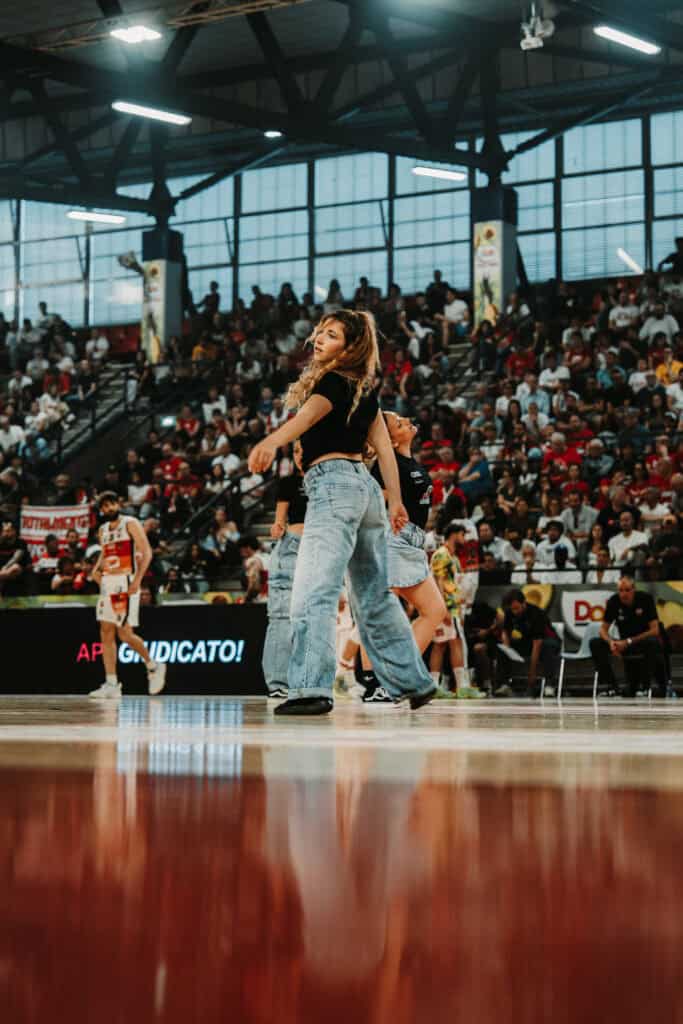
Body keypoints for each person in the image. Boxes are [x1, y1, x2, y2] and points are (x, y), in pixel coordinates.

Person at [248, 308, 435, 715]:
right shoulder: (366, 391)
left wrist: (269, 442)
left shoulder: (333, 381)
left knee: (313, 592)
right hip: (365, 489)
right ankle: (413, 682)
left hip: (332, 485)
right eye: (320, 331)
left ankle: (310, 690)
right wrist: (395, 500)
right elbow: (385, 451)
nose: (318, 338)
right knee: (374, 596)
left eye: (331, 335)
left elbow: (307, 417)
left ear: (350, 348)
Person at [360, 412, 449, 702]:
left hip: (414, 542)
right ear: (390, 440)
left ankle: (399, 675)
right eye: (399, 423)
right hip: (394, 538)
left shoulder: (410, 462)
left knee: (435, 611)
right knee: (380, 610)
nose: (407, 420)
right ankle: (376, 683)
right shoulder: (385, 464)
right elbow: (371, 495)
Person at [88, 492, 167, 699]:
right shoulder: (102, 530)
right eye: (105, 506)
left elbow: (147, 552)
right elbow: (106, 553)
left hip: (125, 581)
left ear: (118, 504)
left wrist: (137, 580)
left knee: (124, 634)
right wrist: (96, 569)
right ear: (101, 510)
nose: (109, 508)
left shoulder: (130, 523)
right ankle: (112, 683)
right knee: (106, 632)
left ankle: (153, 666)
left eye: (112, 504)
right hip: (108, 582)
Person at [262, 444, 307, 699]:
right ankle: (279, 682)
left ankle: (309, 681)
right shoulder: (289, 482)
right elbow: (279, 520)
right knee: (281, 617)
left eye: (304, 450)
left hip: (323, 550)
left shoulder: (329, 480)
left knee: (314, 618)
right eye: (296, 452)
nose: (300, 455)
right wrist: (277, 527)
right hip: (292, 548)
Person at [430, 523, 485, 698]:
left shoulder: (452, 556)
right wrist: (443, 608)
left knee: (444, 644)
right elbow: (437, 581)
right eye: (462, 534)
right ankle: (461, 686)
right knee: (452, 643)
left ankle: (436, 686)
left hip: (452, 606)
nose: (464, 538)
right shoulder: (441, 554)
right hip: (445, 606)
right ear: (454, 534)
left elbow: (453, 584)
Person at [589, 575, 667, 698]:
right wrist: (611, 643)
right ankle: (612, 687)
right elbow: (603, 630)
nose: (624, 594)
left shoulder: (645, 599)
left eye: (627, 590)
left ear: (633, 589)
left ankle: (645, 687)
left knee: (652, 642)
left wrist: (629, 641)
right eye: (620, 590)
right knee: (595, 643)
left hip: (641, 642)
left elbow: (655, 630)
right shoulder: (614, 601)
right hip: (622, 644)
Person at [496, 590, 561, 698]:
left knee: (547, 647)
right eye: (512, 609)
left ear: (524, 603)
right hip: (526, 642)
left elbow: (537, 643)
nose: (515, 612)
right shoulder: (509, 612)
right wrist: (507, 648)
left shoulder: (536, 613)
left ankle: (549, 685)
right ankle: (504, 684)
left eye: (517, 608)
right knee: (501, 650)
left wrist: (531, 674)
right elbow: (505, 632)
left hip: (546, 640)